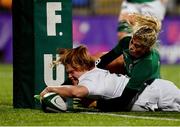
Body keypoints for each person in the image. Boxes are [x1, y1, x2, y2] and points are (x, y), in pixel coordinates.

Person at [40, 46, 180, 112]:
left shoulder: (90, 80)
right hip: (154, 98)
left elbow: (77, 92)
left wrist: (51, 88)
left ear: (82, 66)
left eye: (72, 72)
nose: (70, 76)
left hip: (160, 93)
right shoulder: (93, 71)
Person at [95, 13, 163, 111]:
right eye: (132, 42)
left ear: (146, 49)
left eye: (137, 46)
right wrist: (87, 72)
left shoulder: (146, 64)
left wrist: (96, 104)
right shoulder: (126, 42)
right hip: (132, 78)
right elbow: (105, 59)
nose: (131, 47)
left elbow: (123, 102)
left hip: (149, 89)